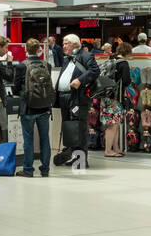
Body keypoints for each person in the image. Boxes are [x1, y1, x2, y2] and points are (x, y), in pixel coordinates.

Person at [53, 33, 97, 167]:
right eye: (63, 43)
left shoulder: (86, 56)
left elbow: (95, 70)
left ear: (75, 44)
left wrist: (80, 80)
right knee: (69, 128)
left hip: (77, 98)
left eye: (66, 43)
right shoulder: (67, 59)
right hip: (64, 97)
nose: (63, 46)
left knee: (79, 127)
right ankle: (73, 156)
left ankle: (81, 160)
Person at [16, 37, 54, 179]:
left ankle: (28, 169)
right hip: (44, 107)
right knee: (45, 139)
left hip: (28, 108)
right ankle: (45, 169)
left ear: (26, 49)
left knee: (28, 139)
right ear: (39, 50)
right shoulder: (47, 65)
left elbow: (15, 88)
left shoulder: (22, 66)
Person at [101, 42, 133, 157]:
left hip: (106, 97)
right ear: (127, 52)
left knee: (115, 124)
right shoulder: (123, 63)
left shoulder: (111, 60)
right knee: (113, 125)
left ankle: (116, 148)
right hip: (116, 98)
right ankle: (108, 150)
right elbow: (126, 81)